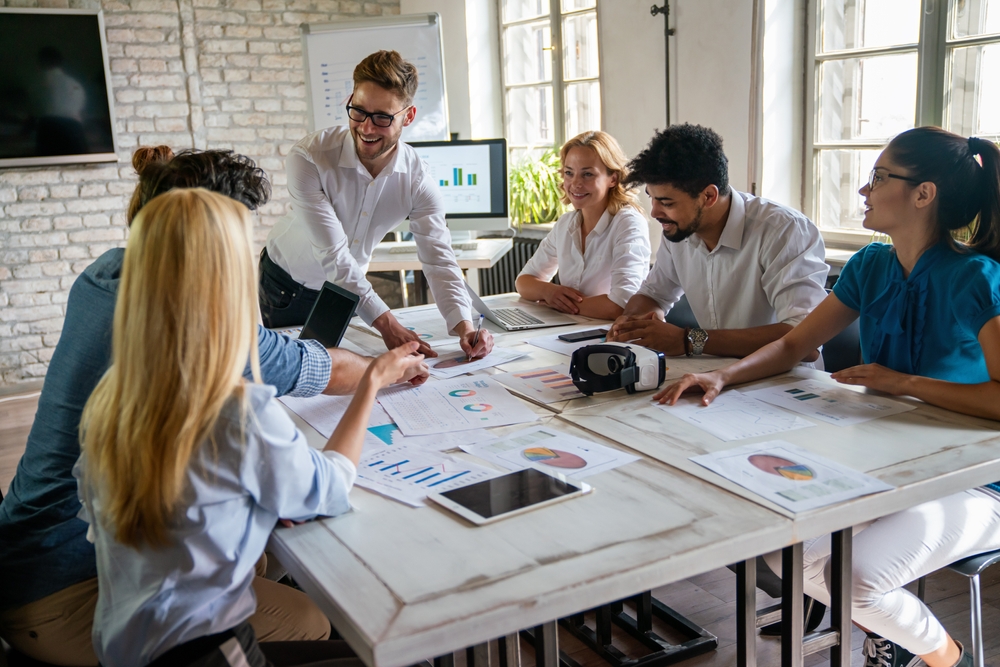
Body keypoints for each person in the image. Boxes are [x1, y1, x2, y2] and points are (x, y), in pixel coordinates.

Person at [0, 146, 425, 666]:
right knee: (311, 618)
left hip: (43, 564)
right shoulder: (221, 381)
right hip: (67, 594)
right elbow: (325, 446)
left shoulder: (108, 286)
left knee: (261, 560)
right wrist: (379, 375)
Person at [657, 127, 1000, 667]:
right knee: (775, 539)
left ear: (923, 193)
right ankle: (897, 631)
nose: (865, 190)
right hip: (889, 458)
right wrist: (724, 376)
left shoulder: (976, 278)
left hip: (975, 478)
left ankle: (946, 657)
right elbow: (794, 342)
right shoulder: (871, 265)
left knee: (856, 579)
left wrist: (903, 382)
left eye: (880, 177)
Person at [260, 50, 493, 361]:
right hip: (288, 284)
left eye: (383, 117)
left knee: (339, 377)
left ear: (408, 116)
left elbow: (439, 259)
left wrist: (465, 326)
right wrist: (387, 324)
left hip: (348, 291)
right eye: (358, 111)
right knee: (296, 379)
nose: (367, 128)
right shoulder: (309, 157)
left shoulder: (417, 178)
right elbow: (333, 254)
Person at [606, 124, 828, 361]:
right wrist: (630, 322)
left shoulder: (784, 231)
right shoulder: (679, 229)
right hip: (713, 374)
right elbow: (654, 295)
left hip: (781, 384)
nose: (655, 212)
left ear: (709, 196)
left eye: (667, 203)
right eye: (652, 199)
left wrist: (689, 341)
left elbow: (807, 341)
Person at [515, 131, 651, 320]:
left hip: (615, 335)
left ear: (613, 178)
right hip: (572, 330)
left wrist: (562, 306)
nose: (575, 183)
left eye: (587, 174)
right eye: (569, 173)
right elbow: (524, 282)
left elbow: (622, 305)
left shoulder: (628, 222)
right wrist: (549, 292)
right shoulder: (566, 223)